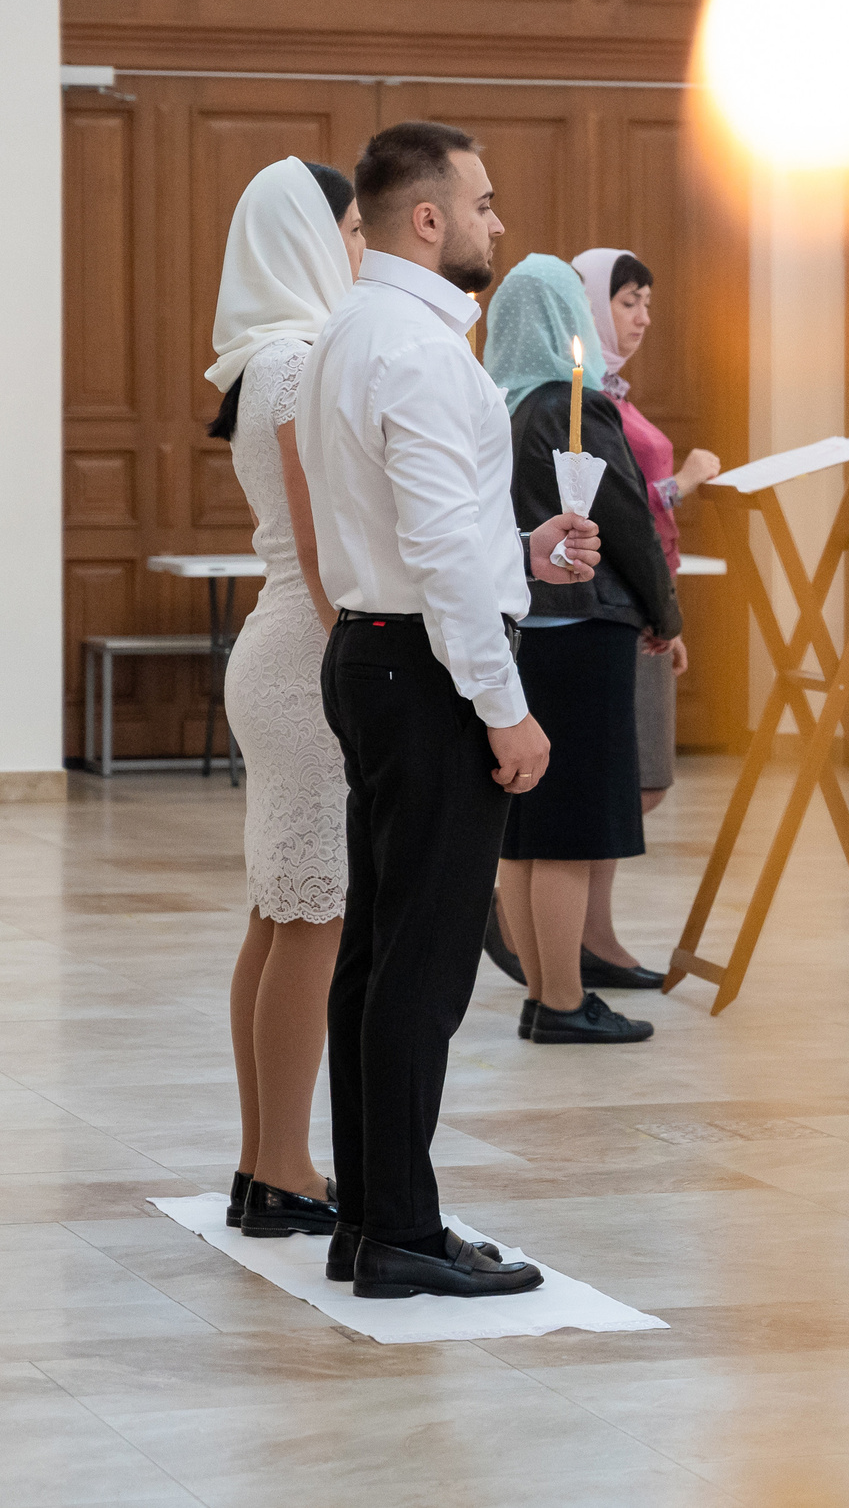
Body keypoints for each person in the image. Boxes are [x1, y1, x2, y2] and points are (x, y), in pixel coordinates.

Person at [301, 121, 599, 1298]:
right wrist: (504, 706)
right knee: (421, 966)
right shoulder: (420, 350)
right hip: (426, 671)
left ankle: (369, 1217)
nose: (497, 222)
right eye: (481, 203)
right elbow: (432, 553)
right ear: (427, 219)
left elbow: (412, 532)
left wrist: (520, 550)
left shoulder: (356, 327)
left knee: (378, 953)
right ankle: (402, 1233)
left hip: (377, 649)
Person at [482, 247, 717, 993]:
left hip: (526, 625)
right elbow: (626, 518)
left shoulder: (498, 405)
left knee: (532, 828)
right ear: (562, 317)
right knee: (572, 827)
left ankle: (545, 991)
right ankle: (562, 999)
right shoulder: (569, 402)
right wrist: (665, 613)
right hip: (585, 622)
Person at [207, 157, 363, 1241]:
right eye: (351, 231)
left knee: (280, 910)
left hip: (275, 651)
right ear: (307, 239)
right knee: (315, 916)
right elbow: (321, 546)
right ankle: (285, 1168)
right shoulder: (300, 362)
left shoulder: (262, 359)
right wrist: (371, 654)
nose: (359, 249)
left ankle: (264, 1160)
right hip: (309, 657)